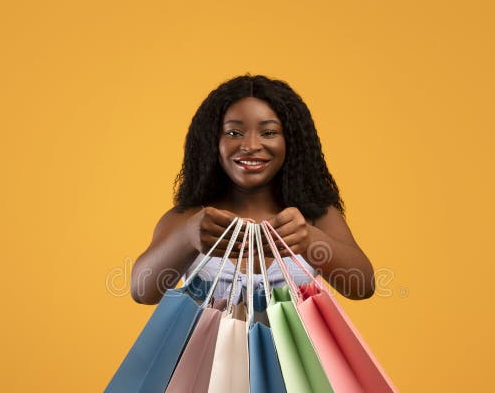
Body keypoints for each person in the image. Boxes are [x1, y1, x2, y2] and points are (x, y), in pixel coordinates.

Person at [130, 74, 375, 305]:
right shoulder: (192, 217)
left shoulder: (315, 215)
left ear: (291, 141)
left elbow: (363, 286)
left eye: (268, 132)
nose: (250, 146)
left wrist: (310, 239)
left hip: (294, 352)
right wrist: (186, 238)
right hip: (209, 352)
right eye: (233, 133)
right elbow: (142, 291)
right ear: (212, 142)